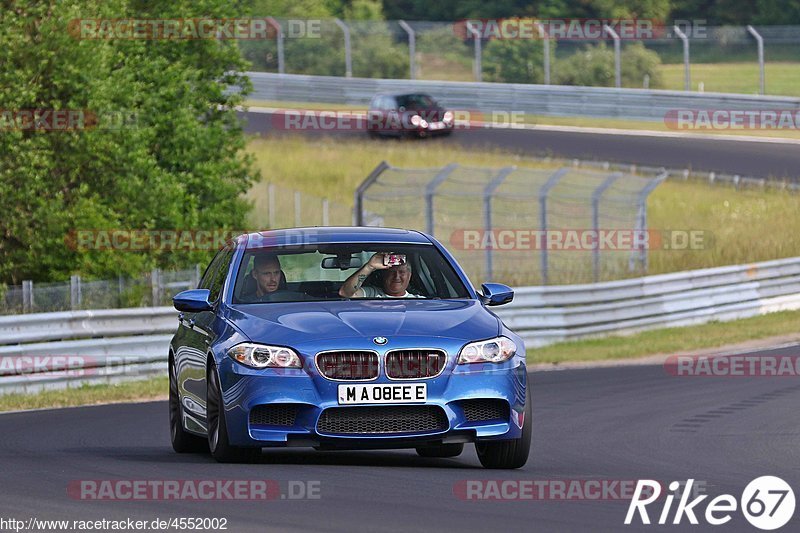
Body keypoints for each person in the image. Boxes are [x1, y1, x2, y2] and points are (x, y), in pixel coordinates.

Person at [339, 252, 423, 298]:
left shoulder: (419, 302)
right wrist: (369, 267)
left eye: (402, 272)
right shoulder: (371, 294)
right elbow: (345, 293)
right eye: (391, 272)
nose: (396, 277)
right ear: (384, 275)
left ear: (409, 276)